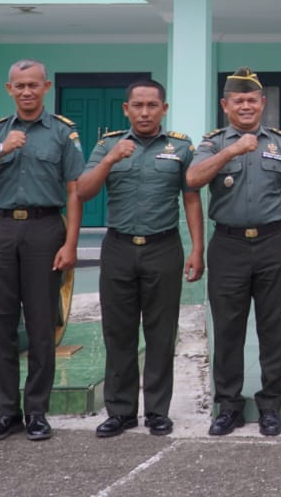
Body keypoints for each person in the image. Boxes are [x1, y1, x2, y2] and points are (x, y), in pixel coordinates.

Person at [0, 59, 84, 442]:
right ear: (9, 89)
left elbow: (74, 191)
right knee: (0, 322)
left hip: (44, 228)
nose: (27, 92)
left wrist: (71, 243)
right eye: (20, 86)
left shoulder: (63, 134)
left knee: (41, 323)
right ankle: (5, 413)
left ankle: (36, 412)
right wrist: (0, 150)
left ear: (46, 86)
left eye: (34, 85)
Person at [76, 79, 204, 439]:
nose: (144, 112)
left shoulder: (180, 147)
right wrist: (112, 159)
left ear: (164, 109)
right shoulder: (107, 145)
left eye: (152, 106)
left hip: (163, 248)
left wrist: (197, 248)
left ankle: (158, 411)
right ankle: (121, 411)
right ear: (126, 109)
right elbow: (84, 192)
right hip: (117, 248)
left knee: (161, 333)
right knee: (119, 332)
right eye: (138, 106)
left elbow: (191, 198)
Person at [186, 68, 281, 438]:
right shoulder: (212, 143)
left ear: (262, 104)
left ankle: (271, 405)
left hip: (273, 241)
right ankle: (229, 406)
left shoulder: (279, 143)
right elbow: (192, 180)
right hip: (228, 245)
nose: (246, 106)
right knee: (227, 328)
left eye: (252, 100)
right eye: (238, 100)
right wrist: (233, 149)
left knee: (274, 328)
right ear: (225, 105)